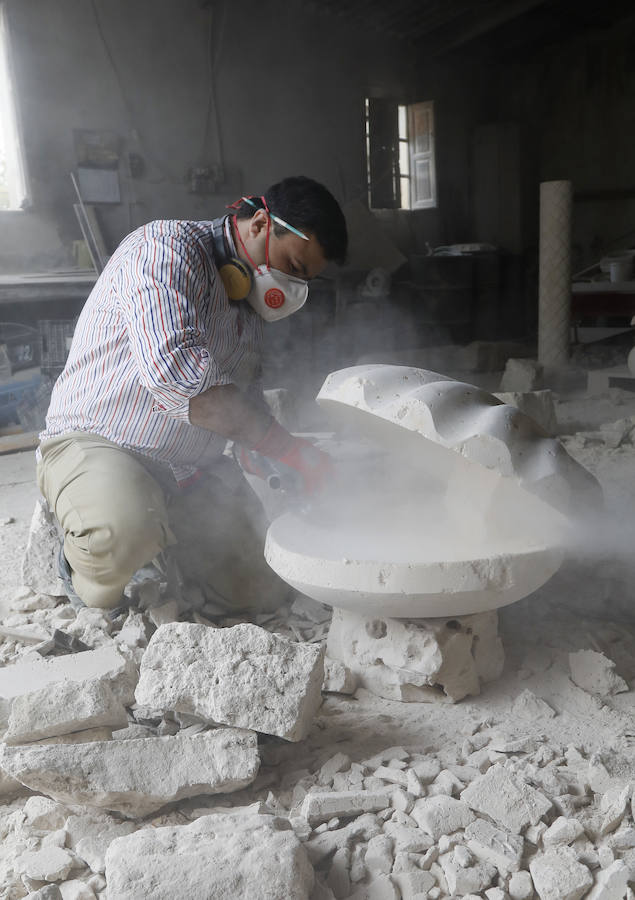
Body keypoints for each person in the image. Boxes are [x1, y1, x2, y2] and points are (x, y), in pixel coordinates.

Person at [37, 175, 348, 614]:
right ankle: (80, 563)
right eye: (294, 267)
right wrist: (291, 449)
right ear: (261, 224)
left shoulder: (248, 309)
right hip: (101, 442)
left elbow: (243, 407)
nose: (293, 286)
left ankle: (164, 546)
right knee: (118, 537)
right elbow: (179, 379)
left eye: (306, 279)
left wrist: (273, 458)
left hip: (188, 467)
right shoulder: (164, 250)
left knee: (262, 590)